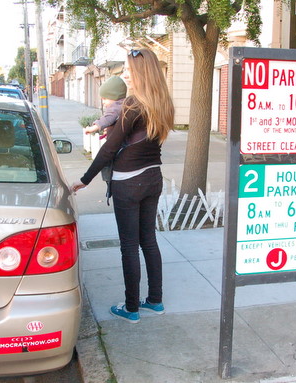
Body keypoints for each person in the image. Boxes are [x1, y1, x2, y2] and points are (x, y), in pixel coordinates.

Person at [71, 48, 174, 323]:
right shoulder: (162, 102)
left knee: (129, 245)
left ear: (141, 72)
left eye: (128, 70)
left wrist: (84, 180)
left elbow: (109, 149)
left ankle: (131, 308)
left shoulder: (132, 104)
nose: (125, 74)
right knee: (149, 241)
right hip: (153, 177)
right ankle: (155, 300)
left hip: (128, 182)